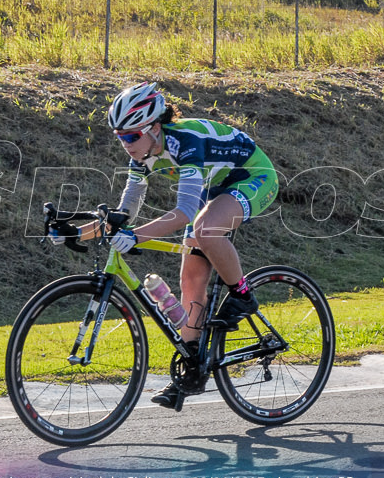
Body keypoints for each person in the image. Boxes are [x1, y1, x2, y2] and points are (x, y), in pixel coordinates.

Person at [60, 82, 279, 408]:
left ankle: (243, 296)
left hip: (252, 176)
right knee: (190, 279)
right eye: (121, 137)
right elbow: (124, 214)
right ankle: (192, 373)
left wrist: (136, 236)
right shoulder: (142, 157)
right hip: (214, 188)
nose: (126, 144)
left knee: (204, 228)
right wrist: (75, 234)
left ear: (155, 128)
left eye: (132, 136)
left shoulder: (184, 141)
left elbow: (184, 213)